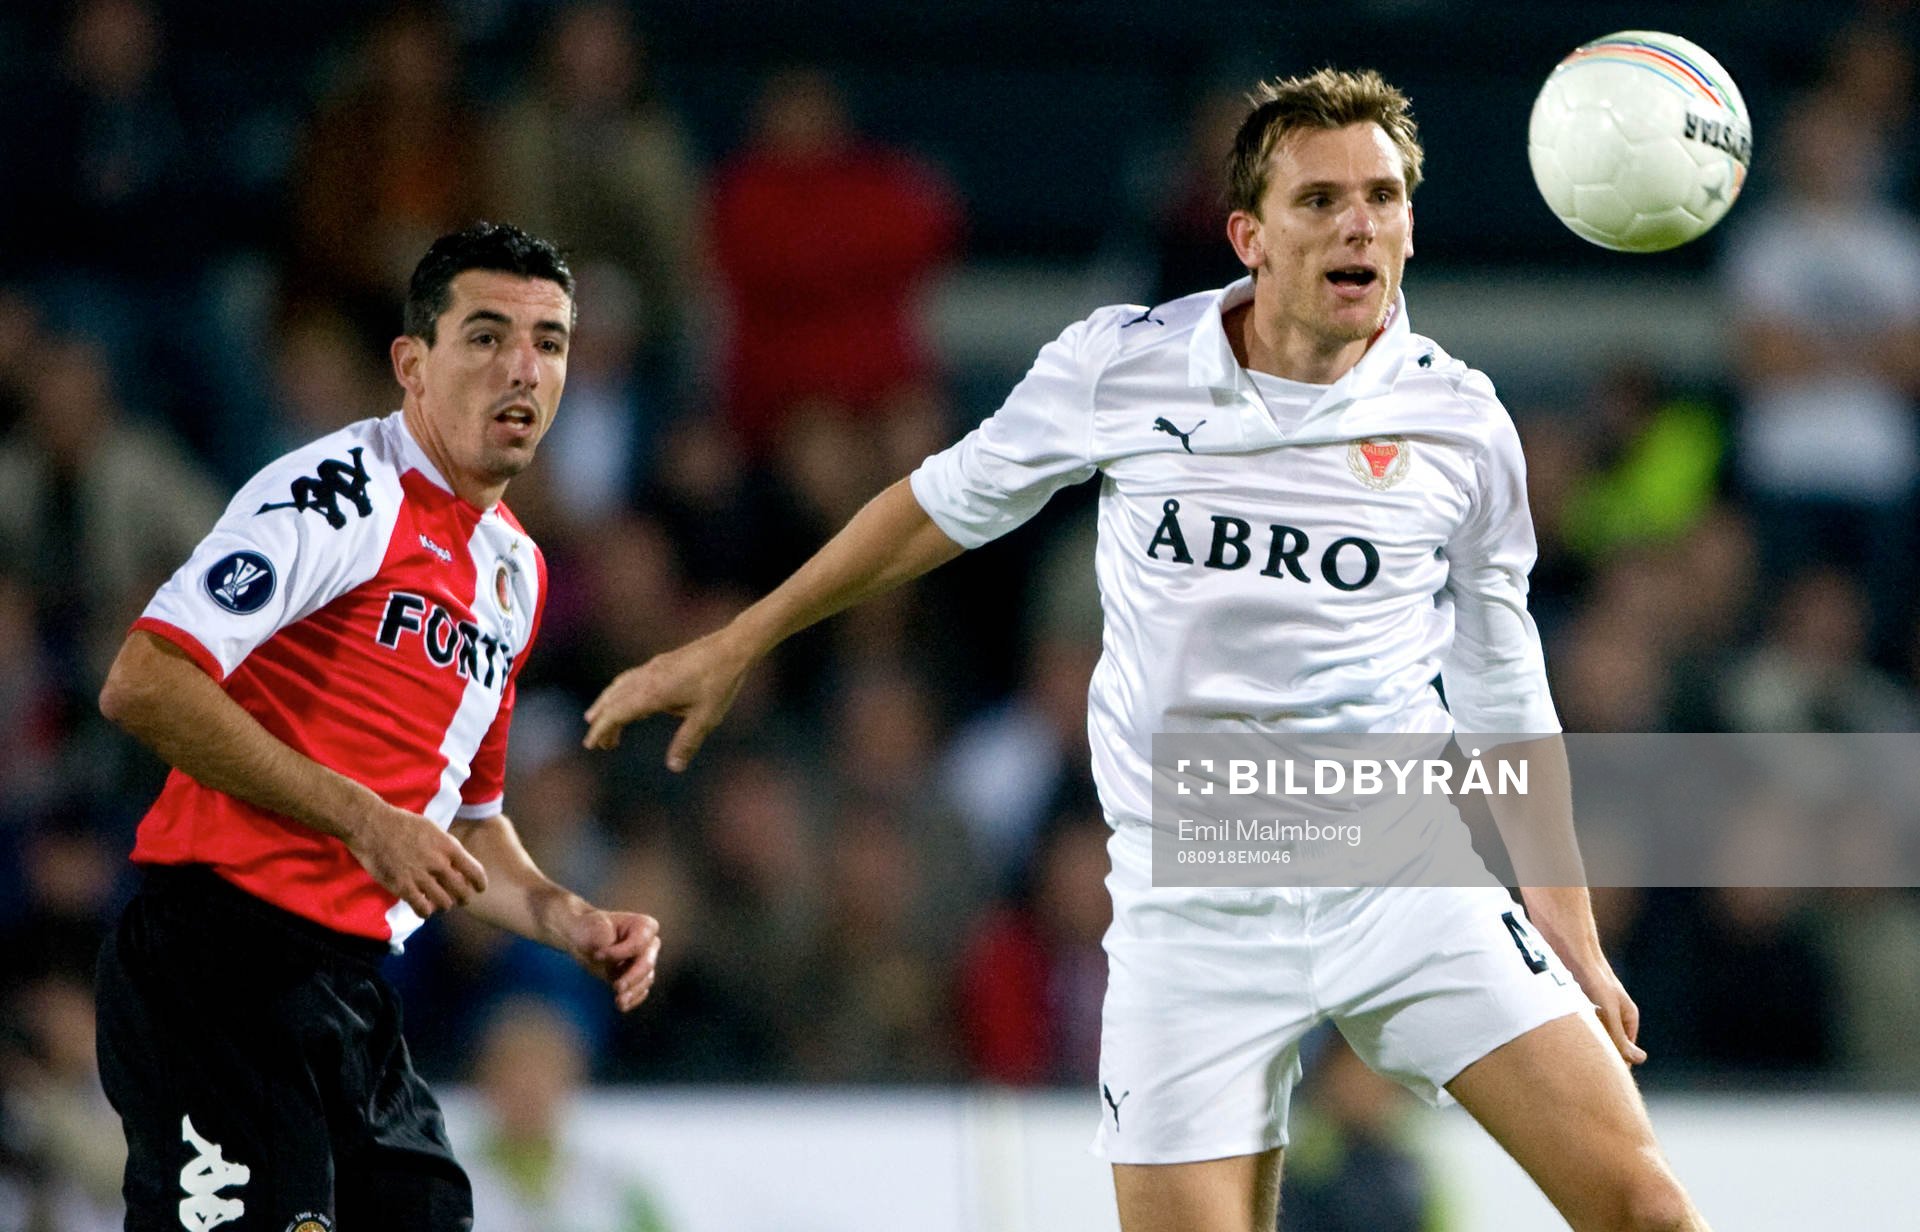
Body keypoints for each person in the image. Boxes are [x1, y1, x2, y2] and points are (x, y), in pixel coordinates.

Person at [585, 70, 1707, 1232]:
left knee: (1646, 1208)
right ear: (1249, 236)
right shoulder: (1124, 365)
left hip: (1399, 865)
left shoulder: (1462, 421)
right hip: (1192, 893)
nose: (1358, 222)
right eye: (1319, 199)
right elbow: (935, 505)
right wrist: (741, 638)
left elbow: (1501, 676)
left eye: (1381, 196)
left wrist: (1563, 912)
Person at [94, 222, 661, 1232]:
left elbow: (467, 823)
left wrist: (566, 916)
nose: (523, 367)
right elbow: (145, 681)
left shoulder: (513, 573)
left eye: (551, 340)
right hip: (216, 960)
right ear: (412, 362)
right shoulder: (340, 496)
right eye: (485, 336)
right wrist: (364, 818)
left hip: (346, 984)